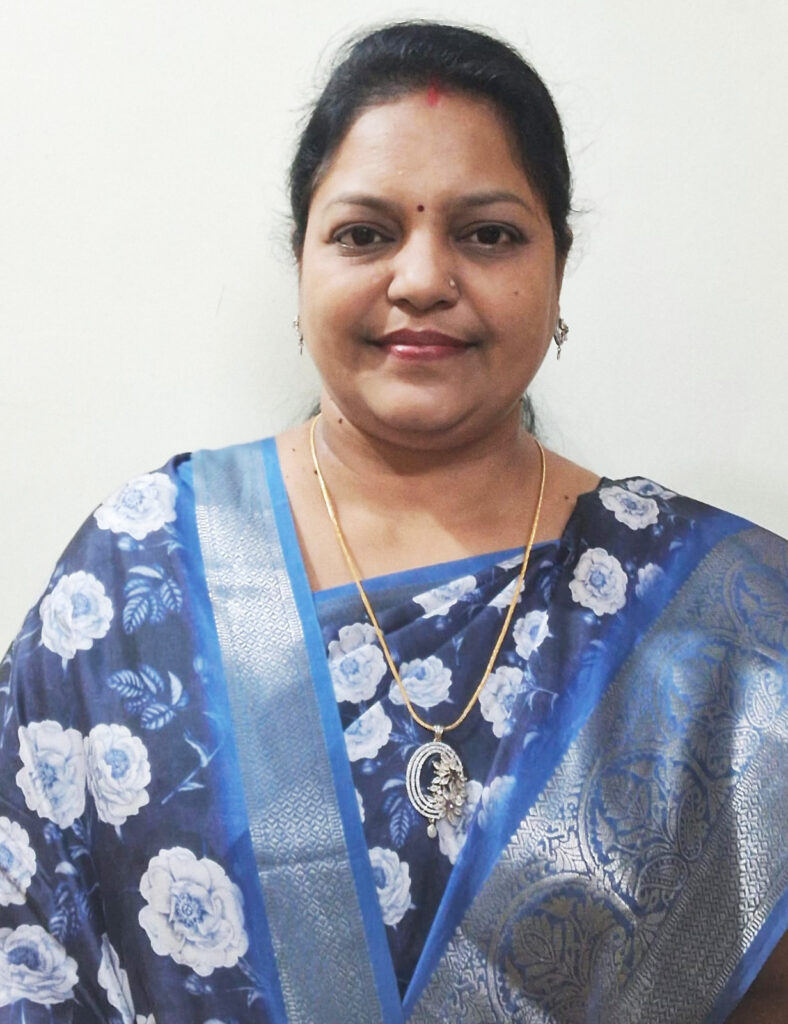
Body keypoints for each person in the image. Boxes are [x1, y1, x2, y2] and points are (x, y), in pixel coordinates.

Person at [0, 20, 785, 1023]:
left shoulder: (723, 622)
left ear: (556, 269)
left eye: (487, 234)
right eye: (364, 234)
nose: (420, 280)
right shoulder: (138, 573)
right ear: (301, 265)